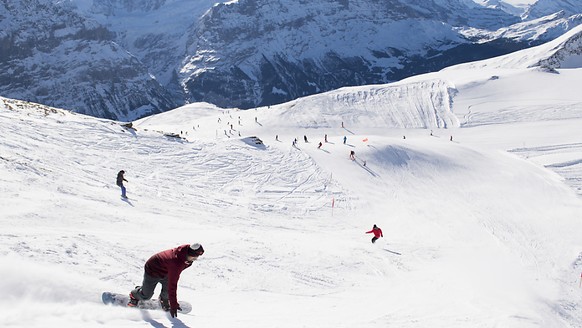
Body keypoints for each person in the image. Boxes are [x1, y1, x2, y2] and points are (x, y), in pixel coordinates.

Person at [129, 243, 205, 318]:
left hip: (167, 271)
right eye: (194, 257)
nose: (195, 259)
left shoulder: (186, 257)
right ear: (189, 253)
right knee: (145, 296)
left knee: (167, 293)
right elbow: (173, 285)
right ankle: (134, 294)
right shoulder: (176, 262)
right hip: (153, 270)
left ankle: (163, 299)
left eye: (197, 257)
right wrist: (173, 304)